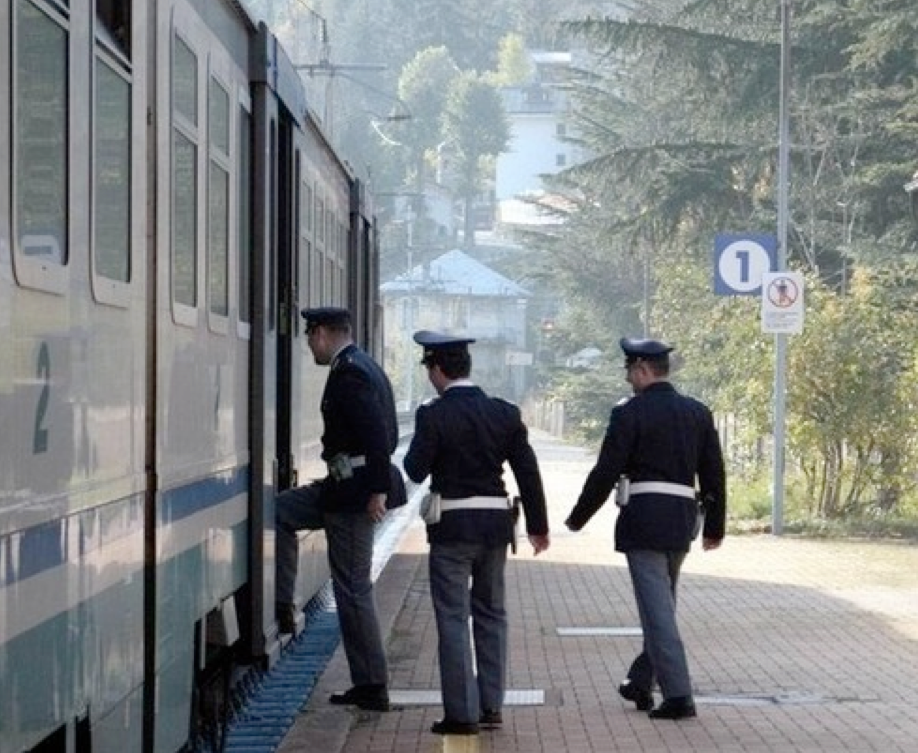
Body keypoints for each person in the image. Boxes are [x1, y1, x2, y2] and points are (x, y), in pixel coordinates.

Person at [564, 337, 726, 721]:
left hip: (645, 519)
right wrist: (715, 527)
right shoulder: (697, 412)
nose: (627, 379)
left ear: (641, 370)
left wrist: (578, 517)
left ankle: (679, 696)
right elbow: (714, 472)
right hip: (683, 518)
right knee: (663, 605)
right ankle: (641, 679)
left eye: (629, 371)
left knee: (658, 613)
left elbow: (606, 470)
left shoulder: (629, 413)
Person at [403, 330, 551, 736]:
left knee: (453, 618)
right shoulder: (503, 412)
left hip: (452, 530)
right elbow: (527, 471)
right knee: (491, 614)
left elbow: (415, 470)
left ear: (437, 369)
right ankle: (490, 705)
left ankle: (461, 714)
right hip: (495, 528)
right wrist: (538, 526)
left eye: (429, 369)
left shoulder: (433, 414)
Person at [275, 307, 405, 712]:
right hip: (343, 488)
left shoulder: (349, 374)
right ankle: (281, 603)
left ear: (323, 333)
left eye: (309, 336)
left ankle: (371, 684)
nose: (308, 345)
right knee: (281, 512)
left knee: (352, 590)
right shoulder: (362, 365)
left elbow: (379, 437)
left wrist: (377, 491)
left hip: (353, 496)